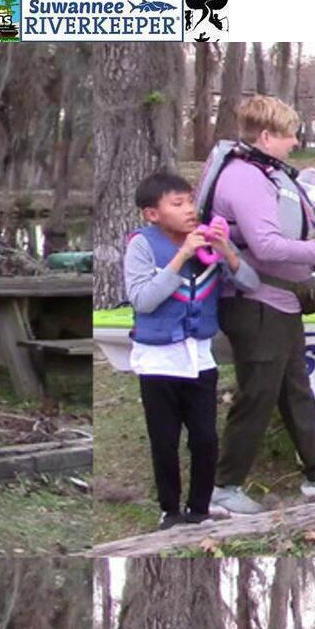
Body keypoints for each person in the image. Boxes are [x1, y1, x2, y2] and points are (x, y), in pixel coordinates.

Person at [195, 94, 315, 516]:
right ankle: (225, 485)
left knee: (296, 390)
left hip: (281, 304)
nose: (295, 142)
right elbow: (268, 246)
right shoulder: (245, 178)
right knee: (257, 394)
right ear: (266, 135)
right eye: (290, 135)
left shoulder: (266, 172)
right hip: (255, 305)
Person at [127, 169, 259, 530]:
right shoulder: (142, 245)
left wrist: (226, 252)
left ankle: (199, 508)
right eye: (177, 204)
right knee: (165, 439)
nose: (189, 210)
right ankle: (169, 510)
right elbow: (143, 300)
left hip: (199, 357)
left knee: (204, 437)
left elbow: (251, 282)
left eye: (190, 202)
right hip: (158, 360)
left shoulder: (209, 245)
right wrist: (180, 256)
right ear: (152, 214)